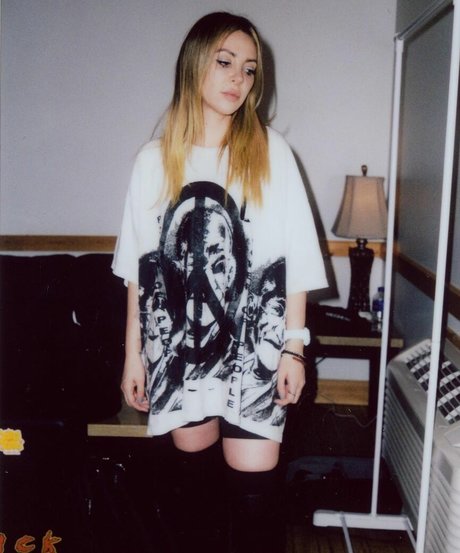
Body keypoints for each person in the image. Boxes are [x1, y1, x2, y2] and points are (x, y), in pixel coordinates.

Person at [112, 11, 327, 553]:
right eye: (225, 62)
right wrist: (133, 357)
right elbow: (141, 272)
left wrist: (294, 348)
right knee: (196, 499)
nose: (238, 78)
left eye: (249, 69)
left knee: (255, 496)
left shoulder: (270, 152)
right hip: (178, 353)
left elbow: (295, 260)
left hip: (255, 353)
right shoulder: (153, 162)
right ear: (193, 65)